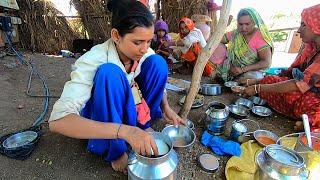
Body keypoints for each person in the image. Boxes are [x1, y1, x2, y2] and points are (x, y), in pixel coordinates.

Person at [48, 0, 184, 173]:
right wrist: (125, 132)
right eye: (138, 42)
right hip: (103, 114)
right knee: (109, 74)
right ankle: (115, 149)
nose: (144, 49)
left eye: (149, 42)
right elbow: (57, 121)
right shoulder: (93, 59)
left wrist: (166, 107)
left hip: (128, 105)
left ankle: (141, 124)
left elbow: (159, 84)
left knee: (158, 63)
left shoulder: (144, 52)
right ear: (116, 35)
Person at [241, 4, 320, 132]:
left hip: (313, 99)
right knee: (270, 80)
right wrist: (256, 82)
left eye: (304, 25)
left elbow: (298, 84)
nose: (299, 30)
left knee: (308, 109)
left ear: (317, 27)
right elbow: (291, 74)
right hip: (304, 91)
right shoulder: (310, 48)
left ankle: (309, 124)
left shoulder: (260, 38)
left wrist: (256, 87)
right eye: (241, 24)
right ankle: (303, 120)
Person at [216, 8, 273, 82]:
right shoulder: (235, 34)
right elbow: (214, 41)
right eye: (240, 24)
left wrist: (242, 69)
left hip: (251, 71)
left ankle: (235, 82)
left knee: (252, 78)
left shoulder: (260, 37)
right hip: (232, 69)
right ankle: (228, 78)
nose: (243, 28)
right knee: (216, 46)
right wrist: (224, 26)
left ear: (254, 22)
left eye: (247, 24)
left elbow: (266, 63)